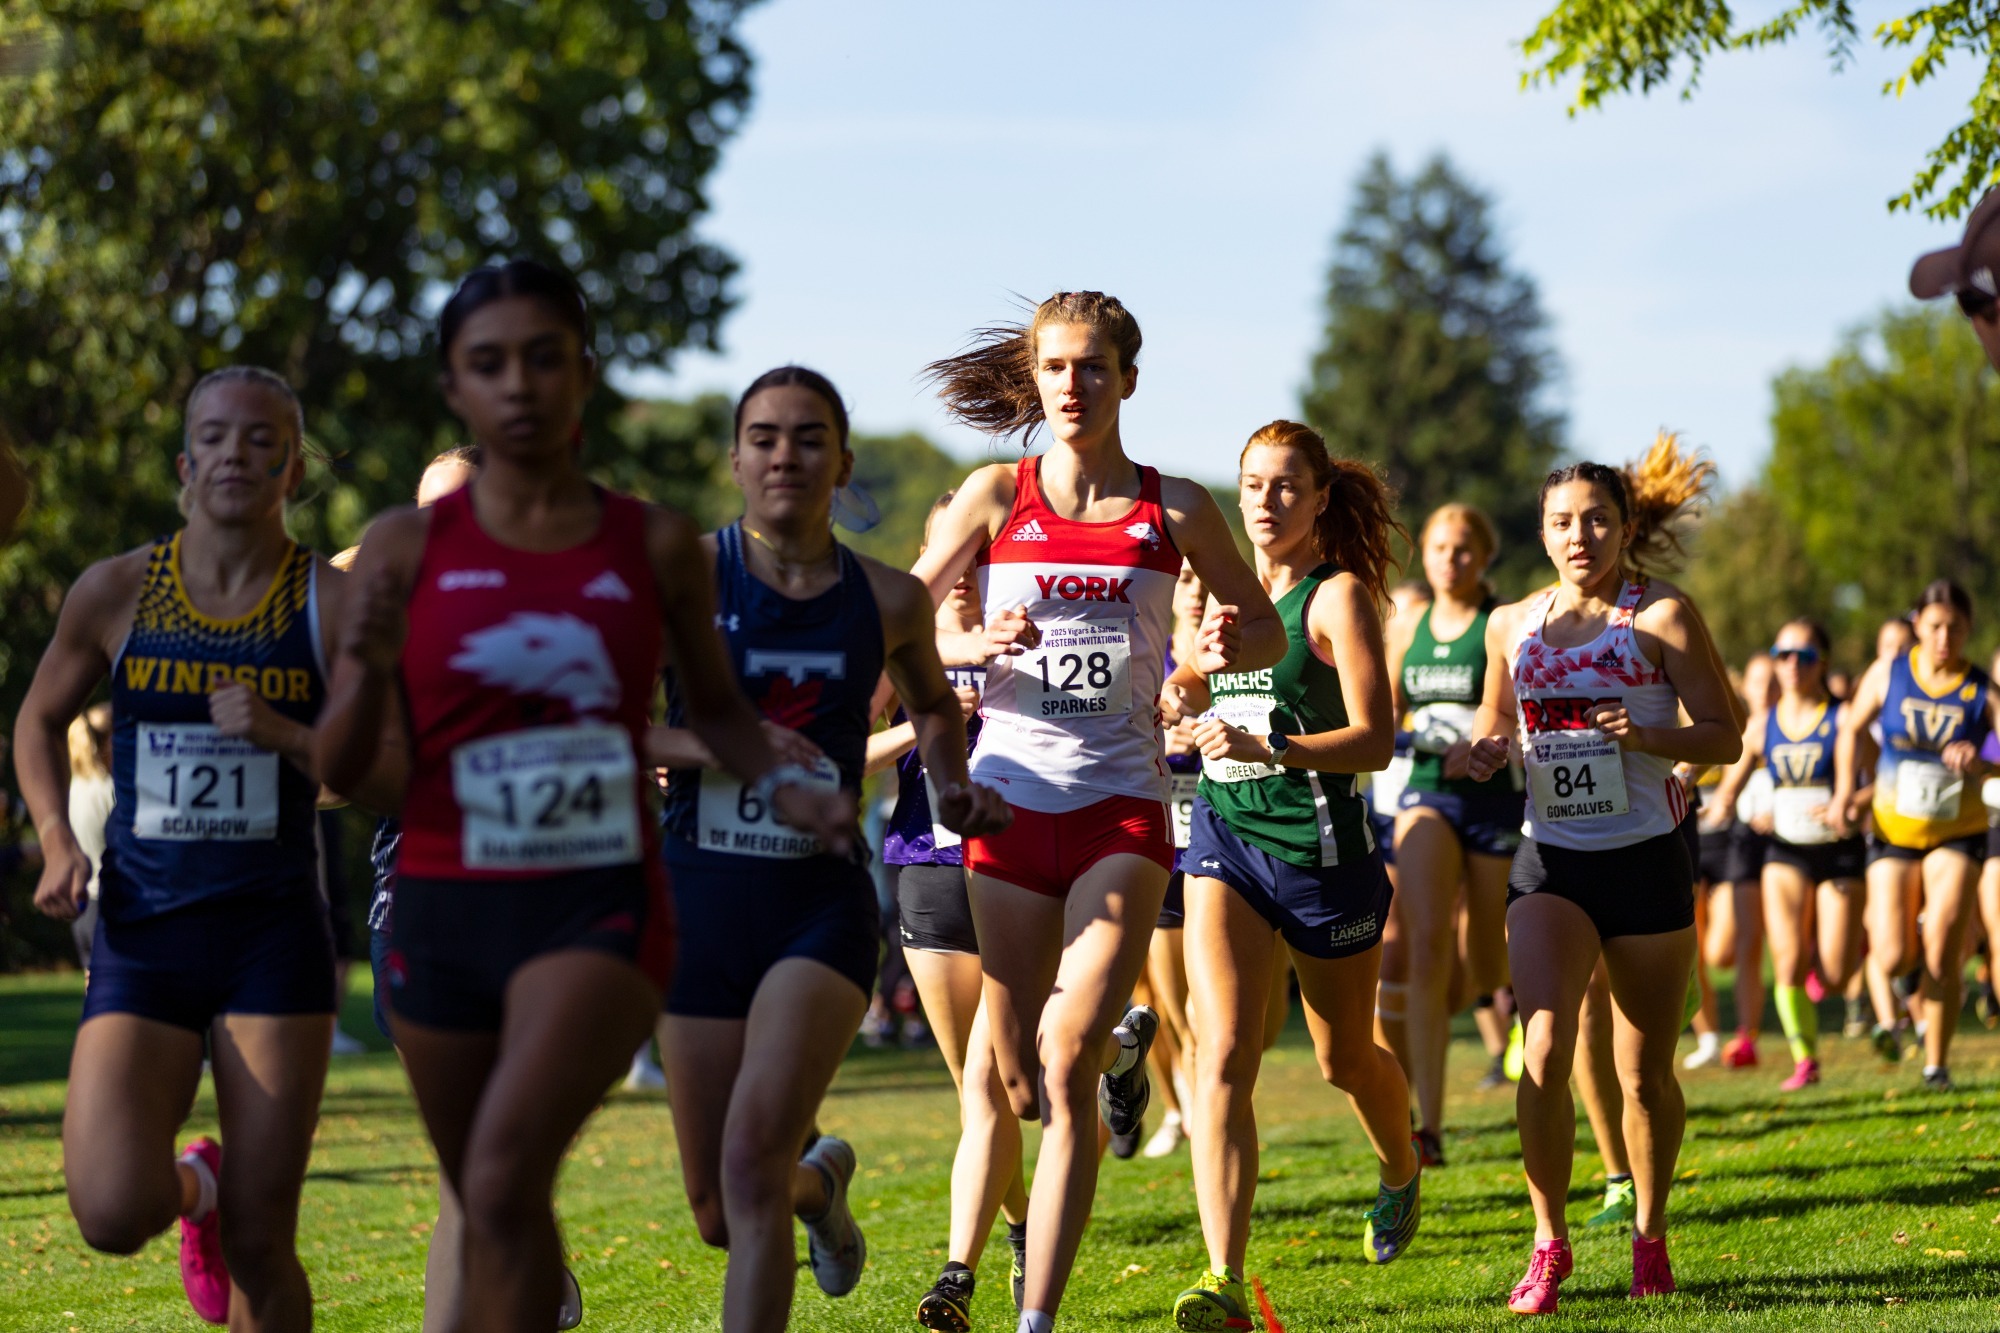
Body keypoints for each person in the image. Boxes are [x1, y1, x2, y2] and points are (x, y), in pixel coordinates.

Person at [315, 261, 848, 1333]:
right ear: (455, 385)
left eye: (543, 357)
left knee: (502, 1173)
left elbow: (717, 710)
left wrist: (785, 779)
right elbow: (339, 759)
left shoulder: (648, 542)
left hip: (592, 902)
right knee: (485, 1187)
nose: (517, 384)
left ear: (583, 377)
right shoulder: (397, 550)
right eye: (487, 362)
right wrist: (352, 691)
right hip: (438, 905)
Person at [912, 291, 1284, 1333]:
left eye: (1091, 367)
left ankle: (1035, 1318)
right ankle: (1130, 1054)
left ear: (1126, 377)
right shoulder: (993, 496)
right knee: (1019, 1078)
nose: (1071, 386)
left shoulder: (1176, 511)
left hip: (1121, 809)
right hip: (1007, 805)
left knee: (1061, 1060)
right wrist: (967, 645)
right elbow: (898, 615)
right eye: (1055, 368)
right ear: (1031, 381)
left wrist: (1213, 653)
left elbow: (1260, 632)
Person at [652, 365, 1011, 1333]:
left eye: (808, 437)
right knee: (720, 1209)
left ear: (841, 462)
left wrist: (957, 782)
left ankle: (789, 1174)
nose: (785, 454)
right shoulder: (680, 574)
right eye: (763, 436)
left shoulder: (888, 599)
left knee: (748, 1160)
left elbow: (934, 703)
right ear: (735, 459)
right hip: (694, 895)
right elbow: (593, 716)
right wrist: (719, 746)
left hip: (817, 902)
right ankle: (822, 1186)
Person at [17, 365, 354, 1330]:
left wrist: (288, 736)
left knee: (263, 1240)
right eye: (215, 436)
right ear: (185, 461)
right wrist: (52, 838)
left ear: (292, 468)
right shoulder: (117, 588)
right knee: (111, 1210)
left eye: (262, 440)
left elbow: (388, 767)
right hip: (144, 932)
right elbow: (38, 720)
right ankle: (194, 1185)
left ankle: (230, 1205)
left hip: (270, 940)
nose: (236, 454)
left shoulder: (327, 604)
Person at [1465, 438, 1740, 1314]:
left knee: (1644, 1076)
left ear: (1624, 527)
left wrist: (1644, 736)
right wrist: (1488, 746)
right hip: (1552, 860)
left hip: (1647, 862)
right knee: (1541, 1048)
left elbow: (1725, 737)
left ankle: (1650, 1236)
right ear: (1541, 534)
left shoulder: (1659, 618)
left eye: (1594, 519)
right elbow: (1496, 715)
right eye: (1560, 522)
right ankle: (1550, 1242)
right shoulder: (1512, 623)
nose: (1578, 533)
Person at [1159, 420, 1418, 1329]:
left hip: (1324, 859)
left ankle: (1400, 1165)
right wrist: (1181, 701)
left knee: (1344, 1057)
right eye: (1252, 485)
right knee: (1219, 1052)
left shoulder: (1336, 598)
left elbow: (1377, 742)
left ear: (1318, 500)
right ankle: (1222, 1276)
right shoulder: (1222, 598)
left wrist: (1271, 745)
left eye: (1283, 487)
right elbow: (1190, 685)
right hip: (1225, 844)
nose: (1264, 503)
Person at [868, 490, 1032, 1330]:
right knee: (976, 1091)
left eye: (979, 554)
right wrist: (921, 725)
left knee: (990, 1079)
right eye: (951, 557)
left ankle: (956, 1272)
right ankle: (1022, 1228)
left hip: (1011, 871)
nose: (965, 573)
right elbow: (847, 753)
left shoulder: (1026, 629)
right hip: (926, 866)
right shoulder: (901, 646)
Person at [1385, 503, 1518, 1165]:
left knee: (1484, 965)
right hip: (1428, 793)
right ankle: (1427, 1126)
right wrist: (1414, 733)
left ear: (1484, 555)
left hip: (1494, 801)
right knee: (1427, 948)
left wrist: (1490, 736)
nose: (1449, 558)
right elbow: (1380, 711)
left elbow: (1524, 709)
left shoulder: (1501, 622)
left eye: (1464, 548)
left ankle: (1498, 1006)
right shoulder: (1407, 623)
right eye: (1439, 546)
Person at [1832, 580, 1995, 1091]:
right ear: (1918, 626)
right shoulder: (1890, 673)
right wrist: (1843, 792)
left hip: (1959, 831)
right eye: (1935, 626)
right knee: (1894, 952)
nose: (1945, 637)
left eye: (1955, 627)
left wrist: (1982, 761)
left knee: (1945, 944)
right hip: (1893, 829)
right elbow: (1851, 729)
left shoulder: (1980, 688)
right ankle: (1905, 981)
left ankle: (1936, 1064)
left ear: (1968, 629)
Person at [1709, 620, 1866, 1091]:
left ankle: (1830, 964)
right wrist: (1714, 801)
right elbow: (1729, 783)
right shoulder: (1763, 724)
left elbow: (1885, 777)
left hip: (1839, 851)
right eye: (1784, 654)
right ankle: (1805, 1060)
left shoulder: (1844, 719)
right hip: (1785, 851)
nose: (1793, 664)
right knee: (1787, 957)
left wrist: (1853, 801)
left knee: (1836, 975)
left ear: (1824, 663)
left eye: (1805, 655)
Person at [64, 704, 114, 975]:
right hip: (109, 899)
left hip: (82, 901)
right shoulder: (108, 789)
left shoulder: (68, 790)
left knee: (93, 989)